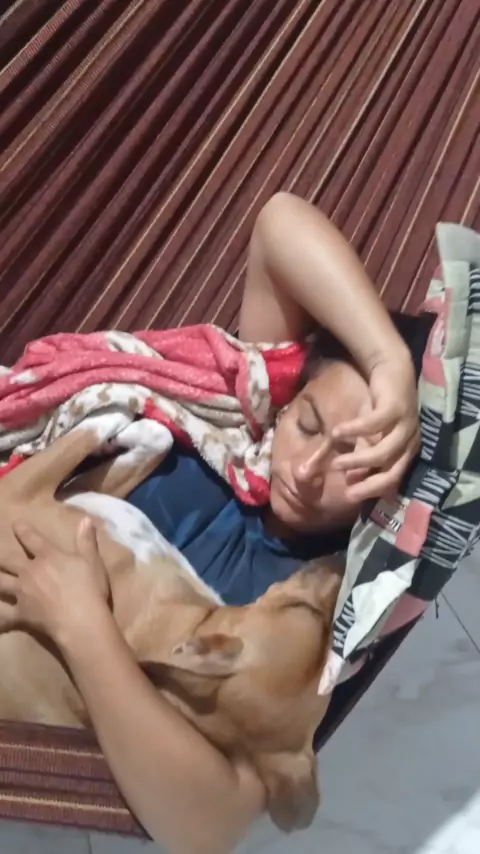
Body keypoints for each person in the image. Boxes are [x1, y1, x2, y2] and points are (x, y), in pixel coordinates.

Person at [0, 194, 422, 854]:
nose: (306, 468)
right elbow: (277, 222)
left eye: (356, 462)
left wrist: (82, 628)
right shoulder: (241, 419)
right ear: (289, 402)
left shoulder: (302, 623)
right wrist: (387, 359)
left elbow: (210, 828)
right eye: (310, 424)